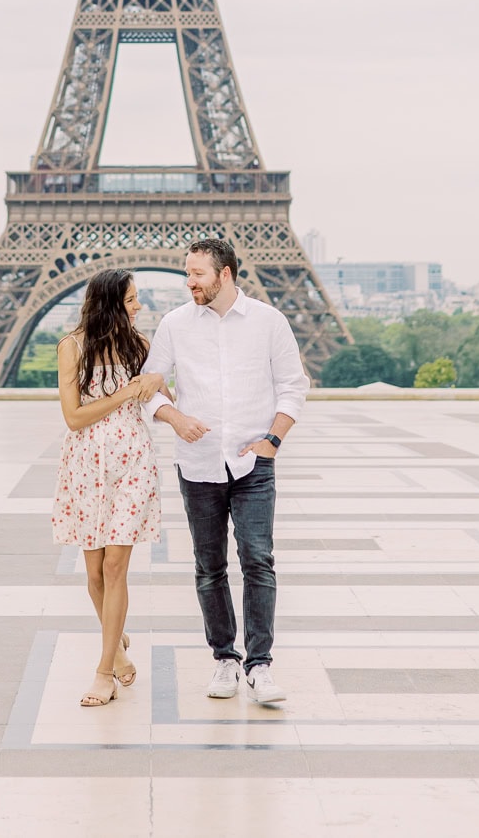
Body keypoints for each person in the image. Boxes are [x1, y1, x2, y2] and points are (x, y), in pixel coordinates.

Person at [141, 236, 309, 706]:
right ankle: (225, 659)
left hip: (253, 463)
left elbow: (293, 386)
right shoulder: (174, 324)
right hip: (198, 464)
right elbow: (149, 388)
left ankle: (260, 665)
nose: (188, 282)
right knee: (209, 567)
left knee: (258, 560)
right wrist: (176, 419)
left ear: (225, 274)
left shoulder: (269, 322)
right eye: (187, 273)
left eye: (197, 274)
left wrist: (273, 441)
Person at [52, 267, 164, 707]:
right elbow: (74, 417)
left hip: (133, 460)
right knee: (95, 573)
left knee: (115, 567)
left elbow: (159, 397)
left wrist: (158, 383)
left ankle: (103, 673)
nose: (139, 306)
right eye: (132, 299)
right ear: (110, 303)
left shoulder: (140, 346)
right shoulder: (72, 347)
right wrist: (124, 394)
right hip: (87, 466)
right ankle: (116, 646)